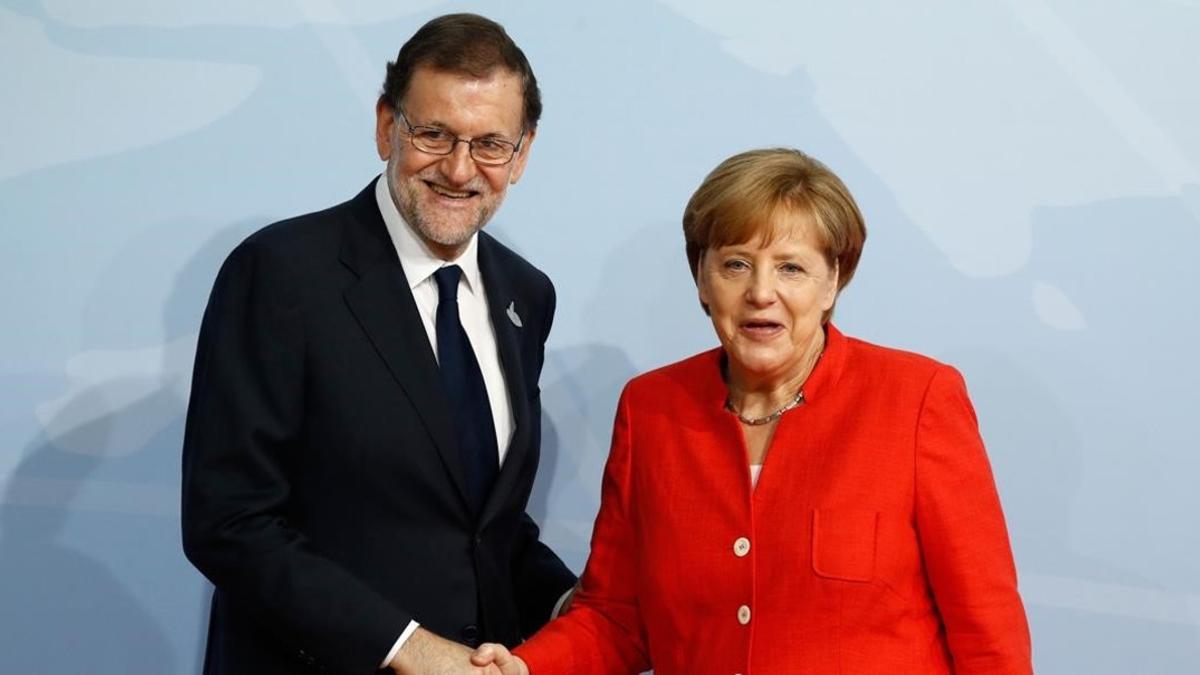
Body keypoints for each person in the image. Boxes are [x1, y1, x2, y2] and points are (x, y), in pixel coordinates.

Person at [472, 148, 1033, 674]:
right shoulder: (651, 409)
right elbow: (618, 613)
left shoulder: (917, 398)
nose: (761, 292)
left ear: (833, 280)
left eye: (791, 268)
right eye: (736, 264)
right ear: (702, 280)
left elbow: (987, 632)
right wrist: (526, 666)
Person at [181, 14, 576, 675]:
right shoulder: (281, 273)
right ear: (386, 126)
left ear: (523, 152)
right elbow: (230, 520)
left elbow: (480, 528)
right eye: (433, 134)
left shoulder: (525, 296)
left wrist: (575, 603)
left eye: (489, 144)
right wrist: (406, 647)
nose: (458, 168)